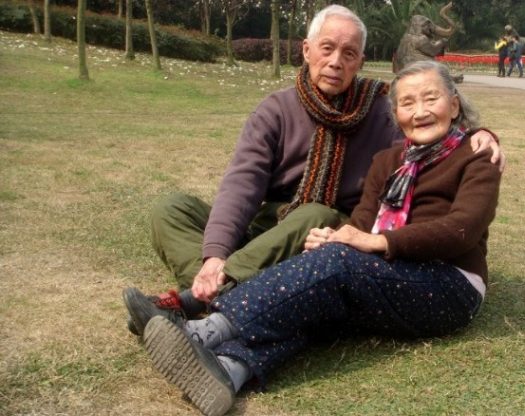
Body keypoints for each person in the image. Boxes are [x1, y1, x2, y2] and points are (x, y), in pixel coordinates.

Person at [130, 59, 501, 416]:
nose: (420, 110)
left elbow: (461, 230)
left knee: (336, 266)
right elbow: (360, 223)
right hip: (389, 277)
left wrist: (380, 243)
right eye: (407, 102)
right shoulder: (387, 162)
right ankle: (229, 370)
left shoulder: (476, 156)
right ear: (396, 115)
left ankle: (202, 331)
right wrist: (336, 238)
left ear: (454, 105)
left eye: (431, 98)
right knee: (313, 299)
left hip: (448, 285)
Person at [123, 5, 505, 336]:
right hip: (270, 223)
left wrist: (479, 133)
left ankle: (195, 300)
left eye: (349, 53)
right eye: (327, 48)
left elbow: (422, 137)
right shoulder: (275, 110)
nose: (336, 61)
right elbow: (242, 184)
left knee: (314, 211)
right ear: (306, 51)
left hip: (328, 230)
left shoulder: (381, 107)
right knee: (171, 208)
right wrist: (214, 255)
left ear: (360, 60)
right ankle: (215, 286)